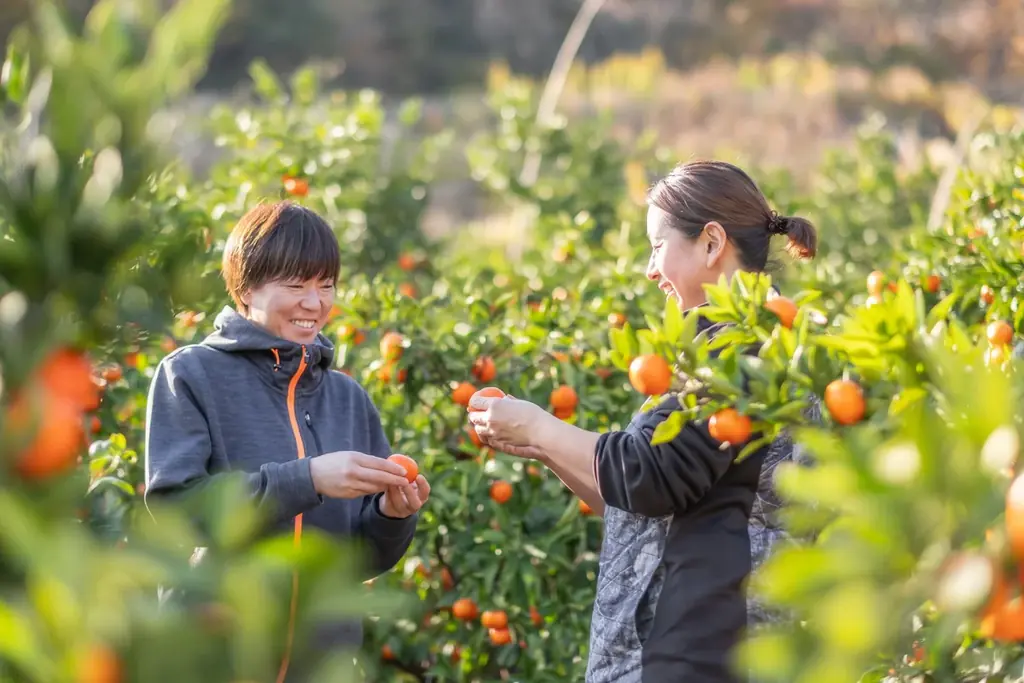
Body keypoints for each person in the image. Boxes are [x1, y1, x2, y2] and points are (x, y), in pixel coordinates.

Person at [468, 160, 818, 683]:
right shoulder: (718, 348)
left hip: (706, 649)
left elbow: (651, 473)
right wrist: (539, 445)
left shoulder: (742, 348)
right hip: (677, 647)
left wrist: (542, 427)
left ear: (710, 243)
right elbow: (639, 499)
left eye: (657, 246)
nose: (650, 270)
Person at [144, 201, 429, 683]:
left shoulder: (347, 398)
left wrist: (391, 517)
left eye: (325, 285)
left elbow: (358, 562)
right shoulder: (191, 375)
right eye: (295, 286)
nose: (314, 303)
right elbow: (178, 510)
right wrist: (309, 478)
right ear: (246, 288)